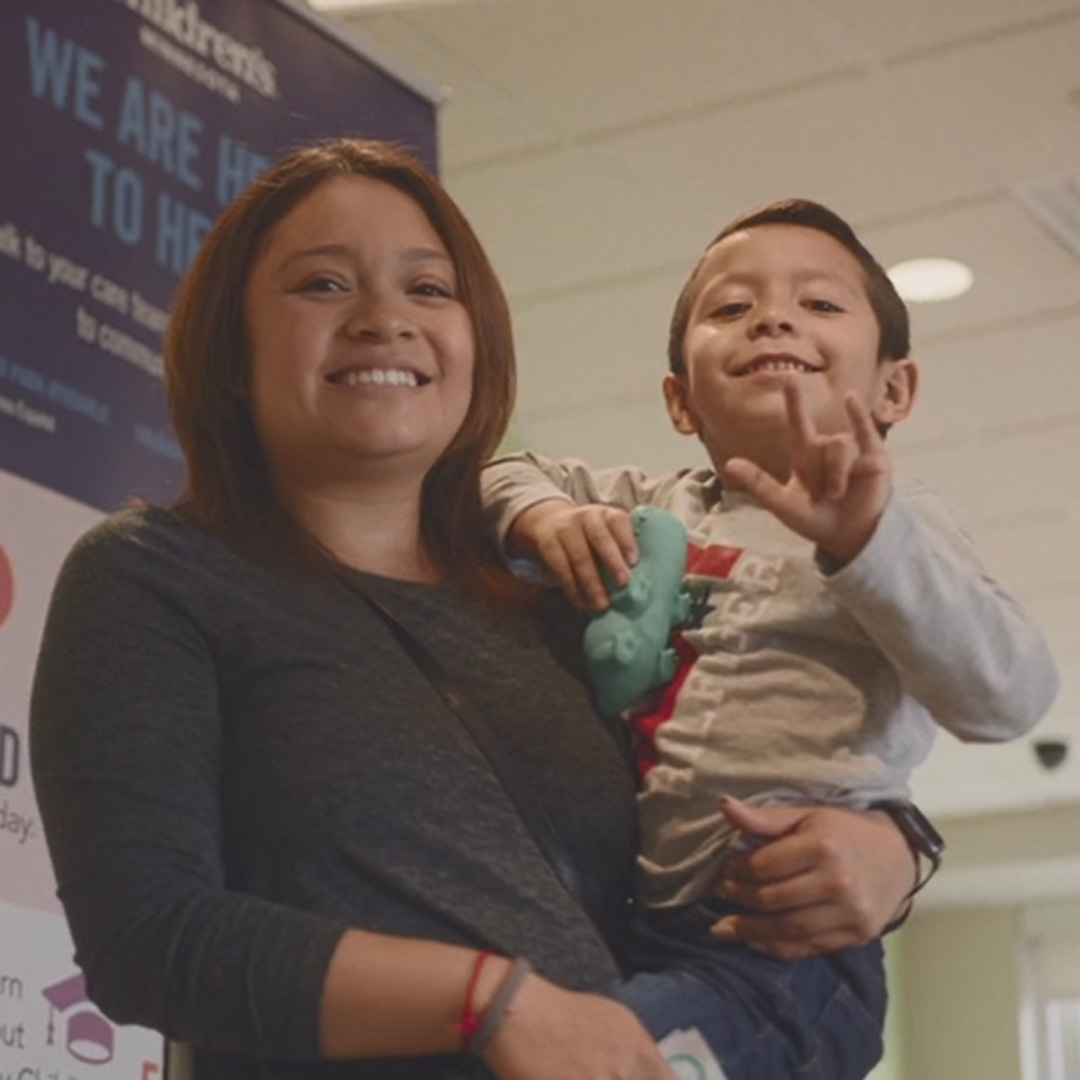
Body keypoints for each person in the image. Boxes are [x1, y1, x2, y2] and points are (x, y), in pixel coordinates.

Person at [31, 145, 924, 1080]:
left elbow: (743, 764)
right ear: (229, 348)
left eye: (428, 288)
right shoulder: (157, 576)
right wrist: (490, 1004)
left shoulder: (558, 594)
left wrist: (894, 851)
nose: (384, 320)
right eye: (324, 284)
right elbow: (150, 938)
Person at [481, 199, 1060, 1078]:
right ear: (681, 400)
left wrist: (867, 542)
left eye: (819, 303)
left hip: (785, 952)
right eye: (731, 307)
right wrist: (546, 516)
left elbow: (1008, 697)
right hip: (641, 922)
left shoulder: (902, 529)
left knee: (591, 1062)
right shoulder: (660, 502)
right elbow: (498, 474)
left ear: (894, 389)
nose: (773, 318)